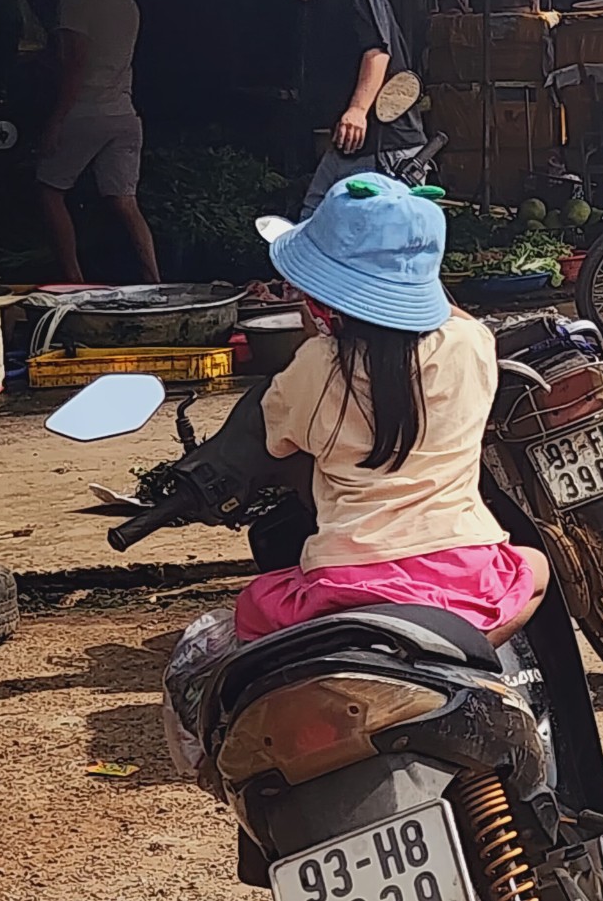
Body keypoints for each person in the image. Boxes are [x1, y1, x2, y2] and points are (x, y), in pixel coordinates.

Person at [233, 174, 548, 644]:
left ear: (320, 300)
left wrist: (314, 327)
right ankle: (470, 652)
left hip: (345, 583)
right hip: (466, 573)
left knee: (252, 608)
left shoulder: (316, 365)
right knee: (536, 567)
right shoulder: (470, 344)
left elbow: (280, 440)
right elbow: (452, 320)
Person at [259, 0, 427, 217]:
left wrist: (358, 111)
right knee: (314, 217)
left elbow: (377, 53)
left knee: (366, 233)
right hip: (347, 147)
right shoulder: (320, 2)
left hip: (383, 145)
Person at [34, 0, 159, 283]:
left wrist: (56, 121)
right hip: (124, 113)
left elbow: (76, 64)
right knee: (125, 202)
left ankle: (74, 280)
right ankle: (155, 279)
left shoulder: (74, 1)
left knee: (50, 191)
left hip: (86, 111)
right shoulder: (125, 1)